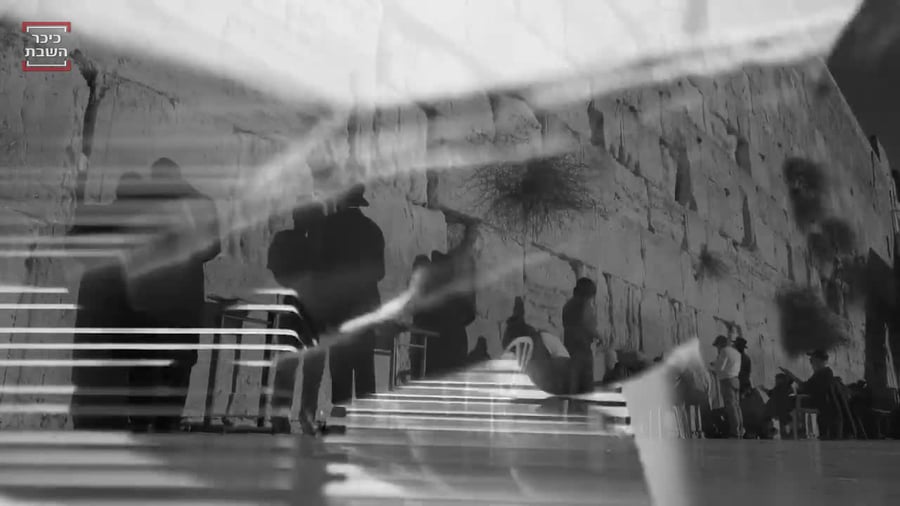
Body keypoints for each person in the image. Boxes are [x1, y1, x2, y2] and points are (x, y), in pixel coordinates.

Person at [125, 157, 221, 432]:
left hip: (151, 294)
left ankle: (140, 421)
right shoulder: (202, 202)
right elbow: (213, 248)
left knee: (145, 359)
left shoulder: (146, 204)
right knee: (179, 362)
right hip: (184, 297)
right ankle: (167, 424)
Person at [69, 172, 146, 430]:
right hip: (123, 301)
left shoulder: (100, 214)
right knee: (118, 362)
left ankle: (86, 416)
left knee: (90, 360)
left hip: (95, 298)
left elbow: (73, 242)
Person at [316, 184, 385, 406]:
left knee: (340, 373)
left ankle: (340, 419)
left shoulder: (329, 227)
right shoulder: (373, 230)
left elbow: (321, 271)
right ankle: (367, 421)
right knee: (365, 372)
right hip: (366, 310)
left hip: (339, 310)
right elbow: (380, 272)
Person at [267, 201, 330, 434]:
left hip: (301, 305)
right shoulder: (309, 244)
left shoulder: (291, 240)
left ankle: (288, 416)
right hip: (308, 307)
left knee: (297, 365)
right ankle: (300, 416)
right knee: (304, 366)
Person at [779, 350, 845, 440]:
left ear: (819, 361)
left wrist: (791, 376)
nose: (811, 364)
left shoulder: (823, 374)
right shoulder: (823, 374)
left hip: (829, 415)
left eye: (812, 360)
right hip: (827, 413)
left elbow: (805, 387)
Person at [562, 278, 601, 394]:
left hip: (569, 349)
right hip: (583, 350)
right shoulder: (585, 305)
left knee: (572, 386)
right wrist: (599, 337)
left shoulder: (567, 305)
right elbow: (589, 326)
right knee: (586, 387)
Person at [710, 335, 744, 438]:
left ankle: (734, 431)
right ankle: (740, 430)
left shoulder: (724, 351)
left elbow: (720, 367)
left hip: (727, 381)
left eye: (717, 346)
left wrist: (713, 365)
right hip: (736, 379)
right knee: (737, 406)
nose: (717, 348)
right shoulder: (736, 353)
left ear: (720, 344)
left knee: (731, 407)